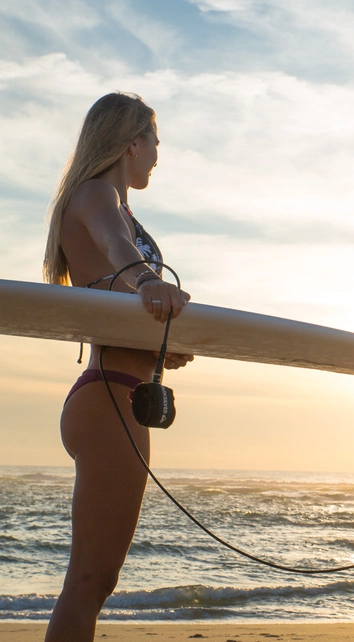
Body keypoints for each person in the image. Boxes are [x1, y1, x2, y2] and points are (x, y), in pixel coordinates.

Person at [42, 92, 192, 641]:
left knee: (95, 581)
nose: (157, 153)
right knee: (88, 582)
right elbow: (116, 248)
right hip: (107, 397)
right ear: (132, 142)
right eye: (154, 140)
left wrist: (162, 346)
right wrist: (151, 283)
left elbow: (113, 278)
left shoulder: (114, 202)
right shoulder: (96, 194)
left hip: (118, 389)